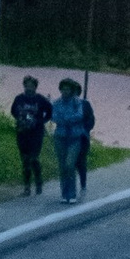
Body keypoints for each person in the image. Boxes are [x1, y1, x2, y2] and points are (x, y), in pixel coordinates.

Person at [51, 77, 96, 207]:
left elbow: (79, 115)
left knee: (70, 164)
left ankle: (72, 193)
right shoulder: (57, 103)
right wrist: (67, 119)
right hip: (60, 137)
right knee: (62, 166)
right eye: (63, 89)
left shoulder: (78, 103)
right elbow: (54, 116)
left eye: (68, 89)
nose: (65, 91)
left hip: (75, 137)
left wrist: (66, 118)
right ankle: (64, 193)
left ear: (72, 90)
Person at [9, 75, 53, 196]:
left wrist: (40, 122)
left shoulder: (40, 100)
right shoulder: (19, 99)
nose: (28, 88)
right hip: (22, 132)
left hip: (36, 133)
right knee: (25, 160)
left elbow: (49, 112)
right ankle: (27, 187)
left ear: (35, 87)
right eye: (26, 85)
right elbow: (13, 111)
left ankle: (38, 181)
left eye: (31, 86)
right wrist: (21, 120)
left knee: (33, 158)